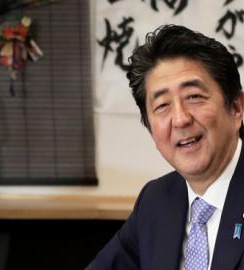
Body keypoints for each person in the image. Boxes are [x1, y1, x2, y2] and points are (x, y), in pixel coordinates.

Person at [87, 24, 244, 270]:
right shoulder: (156, 200)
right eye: (162, 106)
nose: (180, 119)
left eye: (194, 96)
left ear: (236, 108)